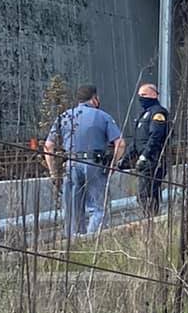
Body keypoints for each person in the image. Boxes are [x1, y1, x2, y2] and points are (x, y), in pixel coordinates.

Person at [43, 84, 125, 237]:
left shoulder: (64, 117)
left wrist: (53, 172)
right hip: (94, 164)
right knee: (97, 208)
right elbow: (120, 144)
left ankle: (73, 242)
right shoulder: (103, 116)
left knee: (72, 209)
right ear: (94, 99)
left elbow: (48, 146)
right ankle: (92, 240)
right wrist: (113, 164)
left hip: (71, 164)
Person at [125, 80, 171, 218]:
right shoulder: (143, 115)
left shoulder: (158, 113)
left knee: (147, 193)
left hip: (153, 160)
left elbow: (155, 137)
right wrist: (125, 159)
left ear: (152, 95)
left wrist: (144, 156)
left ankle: (151, 220)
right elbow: (137, 141)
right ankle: (150, 219)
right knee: (145, 193)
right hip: (145, 161)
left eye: (143, 95)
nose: (141, 98)